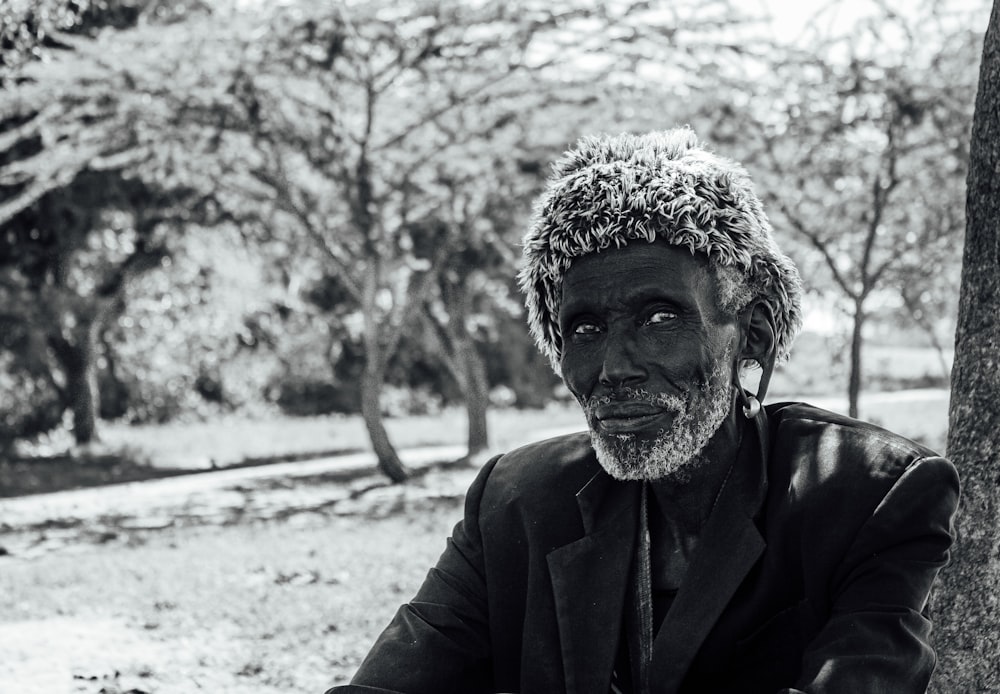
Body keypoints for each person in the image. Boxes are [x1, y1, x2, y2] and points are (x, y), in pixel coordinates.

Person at [327, 128, 959, 694]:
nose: (613, 367)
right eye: (584, 328)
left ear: (755, 333)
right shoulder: (514, 502)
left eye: (660, 318)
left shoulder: (870, 496)